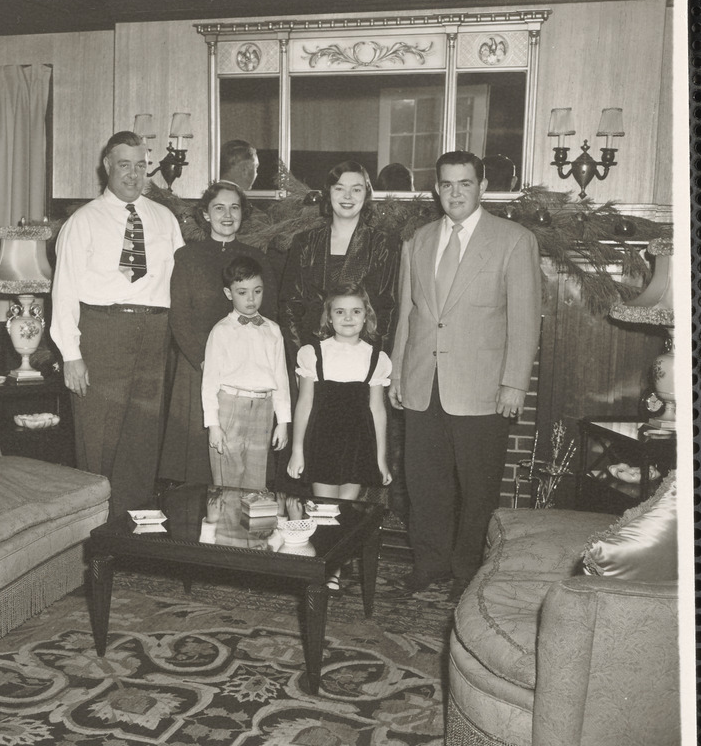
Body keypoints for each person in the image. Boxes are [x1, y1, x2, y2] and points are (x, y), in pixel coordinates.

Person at [389, 150, 541, 599]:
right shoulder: (417, 240)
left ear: (483, 187)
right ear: (437, 189)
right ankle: (429, 562)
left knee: (477, 487)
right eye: (448, 184)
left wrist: (514, 383)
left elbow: (525, 319)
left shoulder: (514, 240)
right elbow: (409, 315)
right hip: (423, 382)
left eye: (466, 183)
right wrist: (398, 374)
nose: (456, 192)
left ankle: (466, 571)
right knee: (425, 483)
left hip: (482, 386)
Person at [50, 130, 184, 519]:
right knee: (99, 440)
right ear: (107, 165)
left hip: (155, 334)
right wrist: (71, 355)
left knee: (142, 440)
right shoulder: (84, 221)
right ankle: (92, 529)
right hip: (103, 333)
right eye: (124, 165)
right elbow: (64, 291)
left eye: (141, 166)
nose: (133, 174)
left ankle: (130, 527)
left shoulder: (165, 219)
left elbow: (179, 282)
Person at [159, 180, 278, 484]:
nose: (227, 215)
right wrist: (204, 362)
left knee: (245, 467)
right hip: (198, 367)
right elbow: (180, 317)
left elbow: (268, 316)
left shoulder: (258, 258)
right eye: (219, 208)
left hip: (246, 372)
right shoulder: (187, 258)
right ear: (205, 214)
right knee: (199, 466)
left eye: (235, 207)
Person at [280, 160, 399, 361]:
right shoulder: (305, 242)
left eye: (356, 189)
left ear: (366, 194)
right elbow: (289, 307)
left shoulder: (382, 244)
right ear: (329, 193)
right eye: (340, 188)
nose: (347, 196)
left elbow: (387, 308)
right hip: (312, 356)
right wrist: (302, 360)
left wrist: (375, 362)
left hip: (362, 357)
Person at [287, 283, 393, 500]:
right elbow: (304, 403)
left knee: (346, 512)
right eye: (339, 312)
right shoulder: (313, 353)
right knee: (325, 508)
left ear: (366, 316)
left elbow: (378, 410)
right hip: (322, 443)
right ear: (329, 317)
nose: (348, 317)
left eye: (356, 311)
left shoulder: (375, 358)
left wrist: (380, 458)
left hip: (358, 445)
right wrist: (297, 450)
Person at [201, 256, 290, 490]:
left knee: (256, 481)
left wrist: (283, 421)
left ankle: (253, 526)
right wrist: (213, 424)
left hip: (264, 407)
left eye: (257, 291)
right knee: (228, 480)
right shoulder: (221, 331)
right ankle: (226, 525)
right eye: (242, 292)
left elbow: (281, 377)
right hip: (230, 406)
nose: (251, 299)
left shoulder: (272, 330)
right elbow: (209, 381)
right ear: (229, 293)